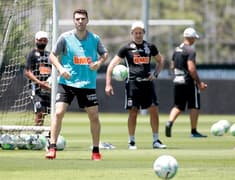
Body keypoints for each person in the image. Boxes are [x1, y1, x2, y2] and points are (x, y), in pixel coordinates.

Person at [45, 9, 108, 160]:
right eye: (77, 19)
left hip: (87, 84)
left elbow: (104, 54)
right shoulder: (65, 38)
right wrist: (61, 69)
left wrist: (98, 63)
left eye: (83, 19)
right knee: (59, 112)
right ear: (74, 21)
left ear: (87, 20)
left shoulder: (95, 38)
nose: (80, 21)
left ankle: (95, 151)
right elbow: (52, 56)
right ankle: (52, 148)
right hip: (66, 83)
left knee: (94, 116)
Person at [105, 21, 166, 150]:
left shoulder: (150, 47)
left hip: (148, 84)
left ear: (144, 33)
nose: (138, 35)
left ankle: (156, 140)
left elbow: (161, 61)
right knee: (133, 112)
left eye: (140, 32)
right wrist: (108, 84)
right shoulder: (126, 48)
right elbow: (111, 66)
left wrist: (155, 74)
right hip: (132, 84)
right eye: (135, 33)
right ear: (132, 33)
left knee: (154, 109)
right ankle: (131, 141)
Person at [165, 27, 208, 138]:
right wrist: (199, 83)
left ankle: (169, 122)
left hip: (177, 81)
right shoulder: (191, 51)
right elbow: (191, 68)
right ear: (192, 38)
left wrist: (176, 76)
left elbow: (172, 66)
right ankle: (193, 131)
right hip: (188, 82)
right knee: (194, 106)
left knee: (178, 106)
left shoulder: (176, 49)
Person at [25, 31, 51, 126]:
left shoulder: (49, 55)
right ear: (36, 40)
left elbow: (53, 71)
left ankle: (46, 135)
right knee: (39, 111)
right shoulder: (32, 54)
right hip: (35, 89)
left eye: (44, 40)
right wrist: (39, 82)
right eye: (40, 40)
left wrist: (50, 83)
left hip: (48, 89)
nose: (42, 42)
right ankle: (37, 135)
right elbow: (28, 71)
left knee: (46, 112)